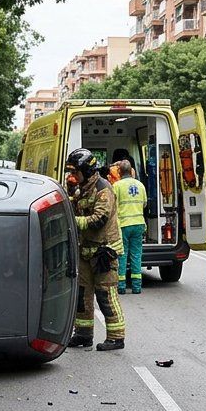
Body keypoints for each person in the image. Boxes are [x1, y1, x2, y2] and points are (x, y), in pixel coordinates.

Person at [63, 148, 126, 351]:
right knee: (82, 295)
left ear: (87, 171)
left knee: (105, 294)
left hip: (103, 252)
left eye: (75, 172)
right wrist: (70, 194)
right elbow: (78, 206)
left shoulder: (103, 189)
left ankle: (116, 337)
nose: (73, 176)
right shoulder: (83, 187)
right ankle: (83, 334)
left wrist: (73, 221)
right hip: (86, 250)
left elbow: (99, 219)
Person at [112, 161, 147, 294]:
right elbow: (144, 204)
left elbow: (112, 206)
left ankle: (121, 287)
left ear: (119, 172)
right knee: (136, 255)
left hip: (124, 225)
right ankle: (137, 287)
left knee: (122, 255)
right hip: (138, 223)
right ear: (132, 171)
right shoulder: (140, 185)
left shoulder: (117, 186)